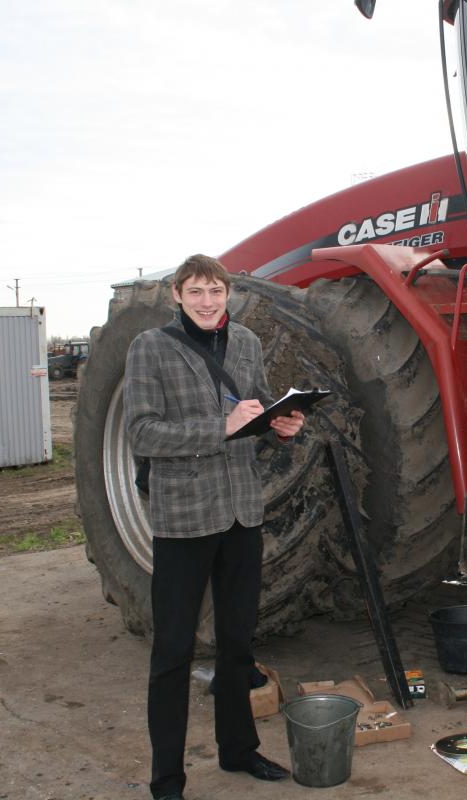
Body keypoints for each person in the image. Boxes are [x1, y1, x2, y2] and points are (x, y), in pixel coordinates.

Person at [124, 254, 304, 800]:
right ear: (176, 295)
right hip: (184, 518)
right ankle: (167, 780)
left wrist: (281, 427)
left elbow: (254, 417)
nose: (207, 301)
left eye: (216, 291)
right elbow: (142, 433)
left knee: (237, 642)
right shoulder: (150, 348)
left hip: (241, 513)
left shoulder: (246, 342)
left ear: (229, 294)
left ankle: (239, 750)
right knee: (174, 651)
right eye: (196, 292)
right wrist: (219, 427)